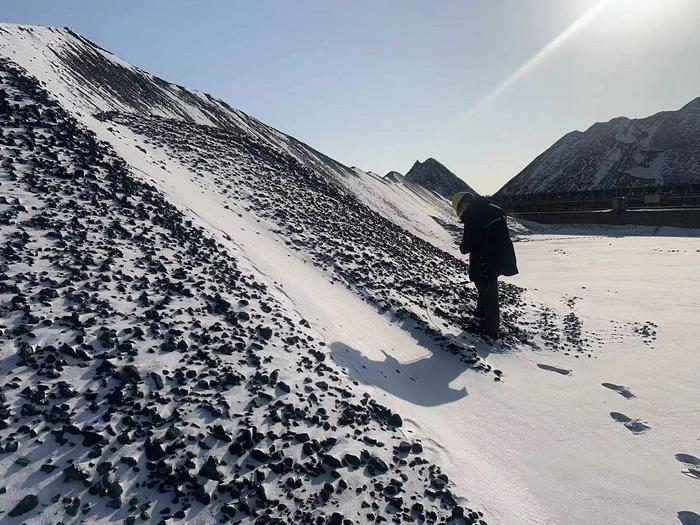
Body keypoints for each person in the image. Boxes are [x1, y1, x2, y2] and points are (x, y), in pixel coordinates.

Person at [452, 191, 518, 338]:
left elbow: (467, 246)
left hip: (484, 261)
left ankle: (491, 332)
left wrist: (462, 245)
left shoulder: (473, 217)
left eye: (459, 210)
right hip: (500, 258)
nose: (461, 214)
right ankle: (480, 315)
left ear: (464, 204)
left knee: (490, 296)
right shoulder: (496, 210)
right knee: (486, 288)